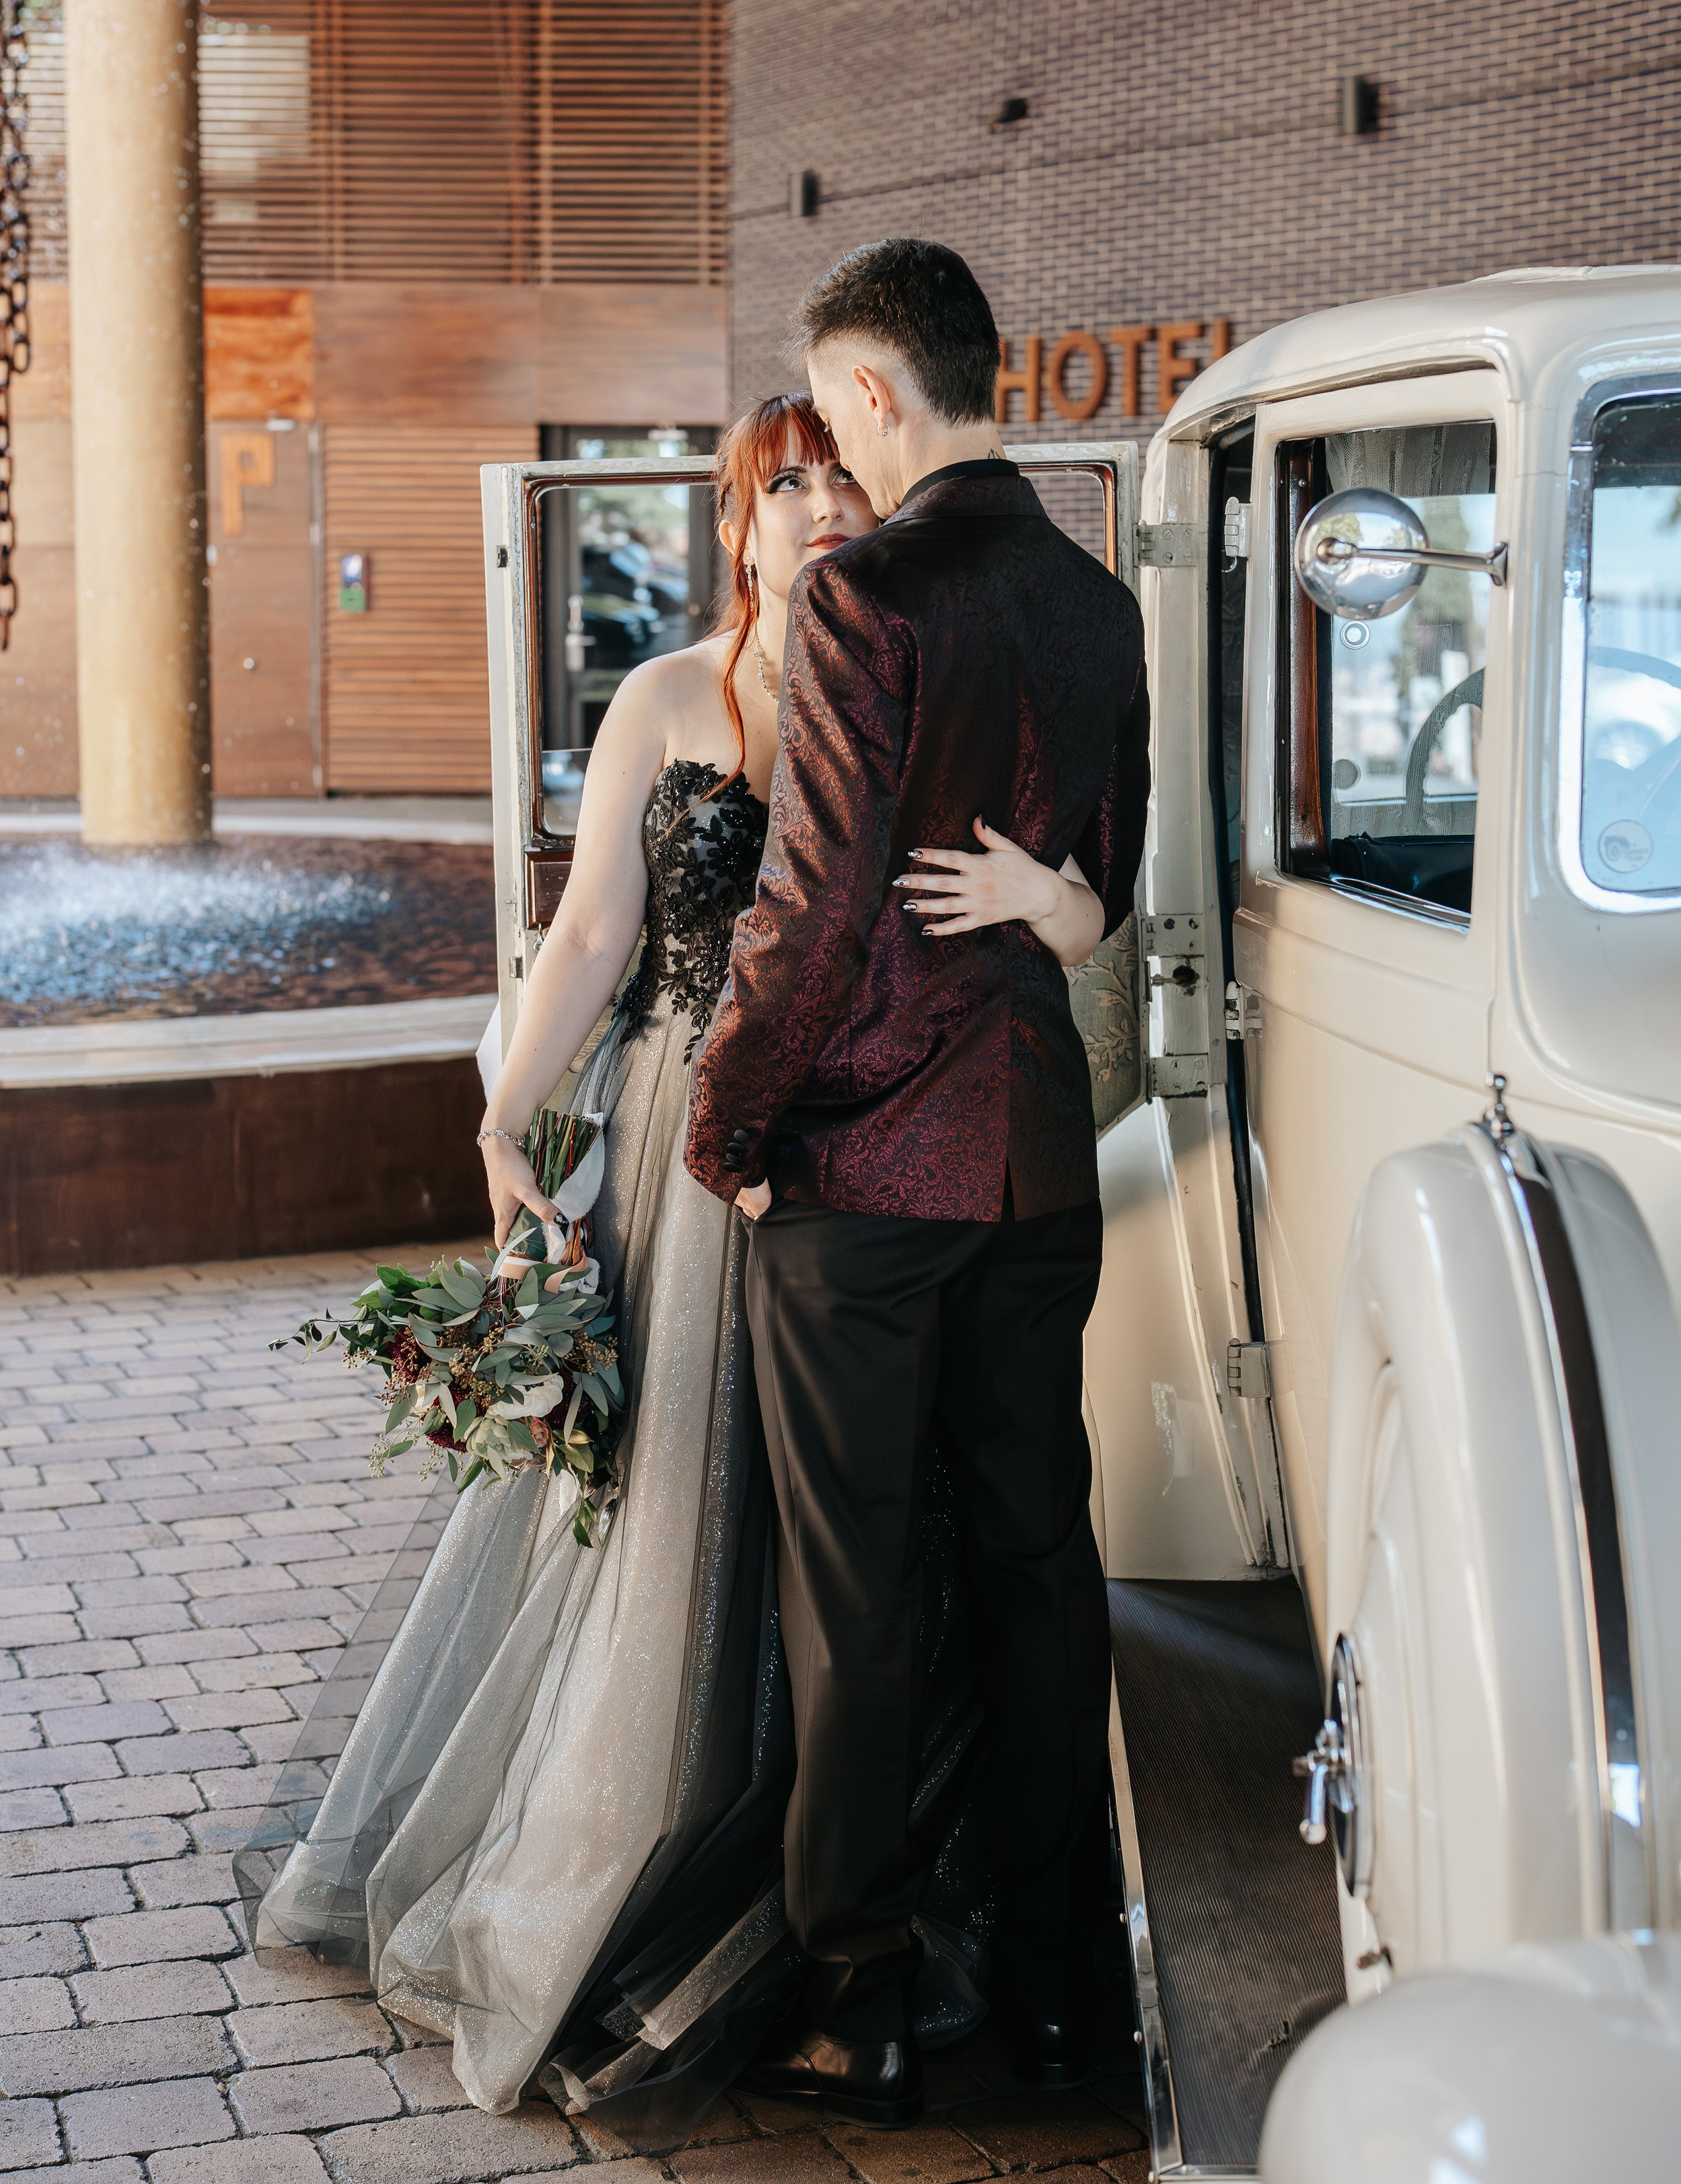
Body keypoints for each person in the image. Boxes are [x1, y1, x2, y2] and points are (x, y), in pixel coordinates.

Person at [238, 392, 1106, 2140]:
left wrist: (1059, 906)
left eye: (839, 475)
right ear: (736, 518)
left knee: (859, 1545)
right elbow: (594, 934)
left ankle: (859, 1896)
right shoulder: (664, 695)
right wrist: (508, 1116)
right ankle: (666, 1846)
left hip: (860, 1162)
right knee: (682, 1520)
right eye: (780, 483)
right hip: (681, 1137)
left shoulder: (917, 683)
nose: (814, 504)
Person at [685, 238, 1151, 2130]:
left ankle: (861, 1997)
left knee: (858, 1592)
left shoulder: (864, 594)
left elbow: (804, 916)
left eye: (841, 417)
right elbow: (1098, 886)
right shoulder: (1100, 601)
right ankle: (1060, 1995)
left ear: (876, 393)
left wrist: (726, 1127)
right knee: (1042, 1573)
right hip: (1037, 1158)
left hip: (868, 1174)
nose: (842, 465)